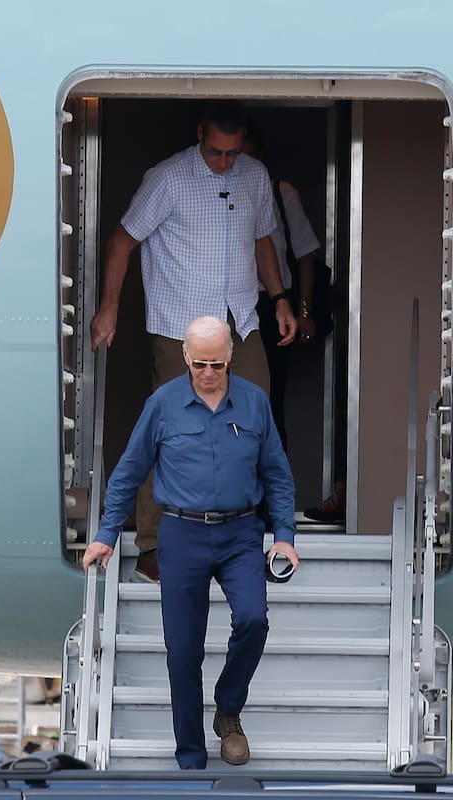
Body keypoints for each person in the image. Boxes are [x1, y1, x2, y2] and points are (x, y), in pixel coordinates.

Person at [89, 102, 298, 583]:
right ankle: (152, 547)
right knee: (170, 430)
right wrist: (110, 305)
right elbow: (123, 239)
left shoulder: (254, 176)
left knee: (254, 420)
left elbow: (263, 240)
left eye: (232, 153)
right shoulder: (167, 178)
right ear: (199, 133)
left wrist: (281, 298)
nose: (224, 161)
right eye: (215, 151)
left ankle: (248, 532)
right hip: (180, 324)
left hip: (240, 321)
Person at [82, 316, 300, 770]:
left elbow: (277, 476)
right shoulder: (163, 404)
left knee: (254, 620)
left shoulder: (255, 403)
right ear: (185, 357)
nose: (207, 372)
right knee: (183, 650)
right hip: (181, 534)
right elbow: (128, 471)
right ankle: (191, 760)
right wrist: (106, 535)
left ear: (230, 358)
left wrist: (284, 538)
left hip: (241, 533)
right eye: (199, 363)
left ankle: (227, 706)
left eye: (216, 364)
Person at [243, 127, 323, 451]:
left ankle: (272, 498)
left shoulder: (279, 193)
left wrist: (302, 311)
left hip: (272, 304)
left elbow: (305, 255)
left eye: (246, 156)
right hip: (229, 304)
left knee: (270, 399)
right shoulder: (211, 193)